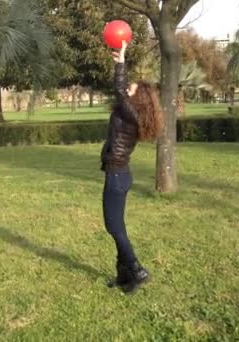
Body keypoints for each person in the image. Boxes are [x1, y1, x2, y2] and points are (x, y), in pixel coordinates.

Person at [100, 41, 164, 293]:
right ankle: (125, 277)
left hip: (117, 176)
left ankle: (137, 269)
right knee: (118, 225)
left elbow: (118, 87)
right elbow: (119, 92)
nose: (127, 88)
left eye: (132, 88)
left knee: (113, 226)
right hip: (120, 174)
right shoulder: (132, 113)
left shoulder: (131, 112)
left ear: (138, 98)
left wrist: (120, 61)